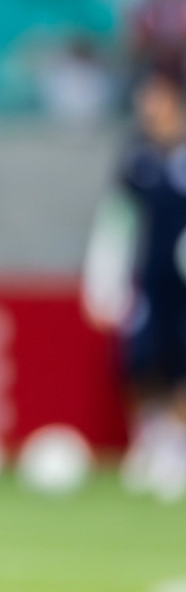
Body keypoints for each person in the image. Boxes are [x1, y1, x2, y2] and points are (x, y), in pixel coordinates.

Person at [83, 73, 186, 503]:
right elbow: (117, 222)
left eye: (158, 102)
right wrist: (102, 281)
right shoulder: (137, 160)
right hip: (147, 282)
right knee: (140, 364)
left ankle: (175, 451)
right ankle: (150, 441)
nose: (149, 110)